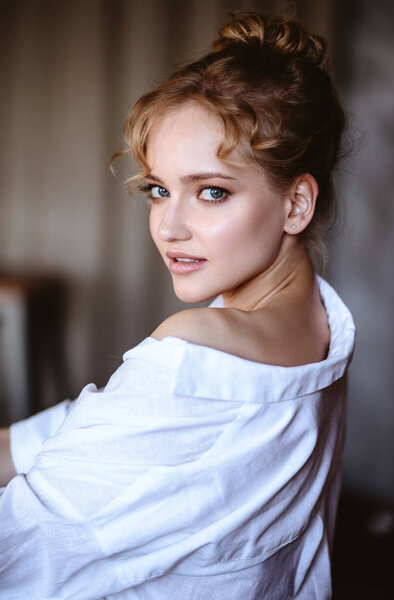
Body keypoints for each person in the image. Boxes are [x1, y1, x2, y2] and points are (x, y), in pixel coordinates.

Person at [0, 12, 355, 600]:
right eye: (159, 189)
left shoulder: (194, 346)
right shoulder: (321, 322)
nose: (169, 227)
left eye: (211, 192)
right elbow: (124, 429)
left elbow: (21, 548)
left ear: (296, 205)